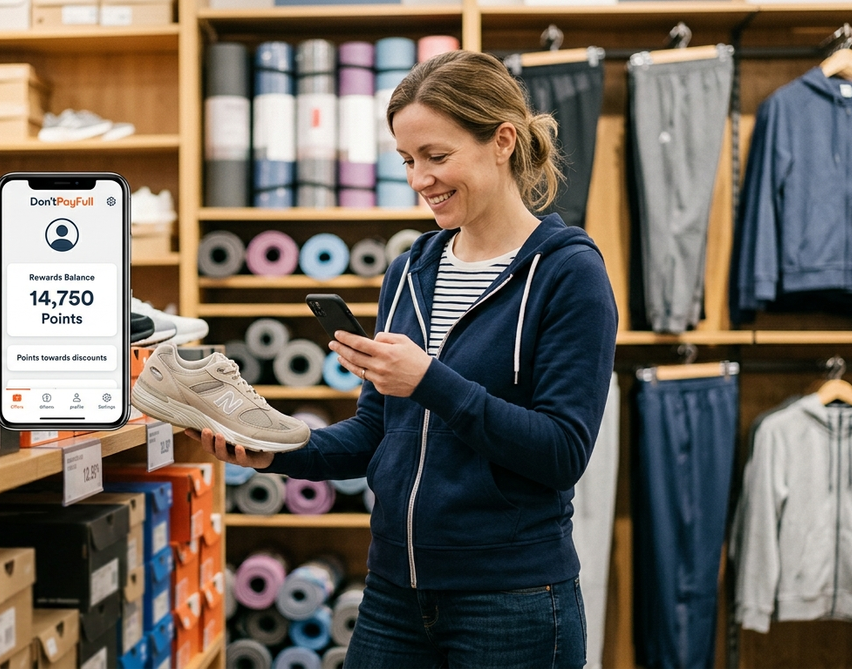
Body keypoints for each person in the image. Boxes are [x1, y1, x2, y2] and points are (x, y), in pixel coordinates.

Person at [196, 50, 618, 668]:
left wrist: (429, 381)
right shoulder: (411, 271)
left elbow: (561, 453)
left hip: (513, 600)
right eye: (408, 160)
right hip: (393, 592)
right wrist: (283, 452)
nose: (420, 179)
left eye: (437, 157)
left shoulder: (569, 275)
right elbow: (376, 433)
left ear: (502, 141)